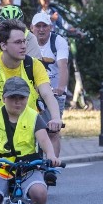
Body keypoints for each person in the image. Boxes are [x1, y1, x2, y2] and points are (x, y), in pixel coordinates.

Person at [0, 18, 62, 137]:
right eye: (18, 42)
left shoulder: (34, 65)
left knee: (53, 136)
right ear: (3, 45)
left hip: (28, 125)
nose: (23, 46)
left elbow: (47, 94)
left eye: (24, 41)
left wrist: (56, 118)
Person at [31, 12, 69, 158]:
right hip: (34, 90)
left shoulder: (58, 41)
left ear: (50, 27)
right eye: (38, 26)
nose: (41, 30)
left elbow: (62, 66)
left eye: (44, 26)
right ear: (32, 28)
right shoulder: (27, 42)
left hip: (54, 90)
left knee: (53, 130)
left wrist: (60, 88)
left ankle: (52, 167)